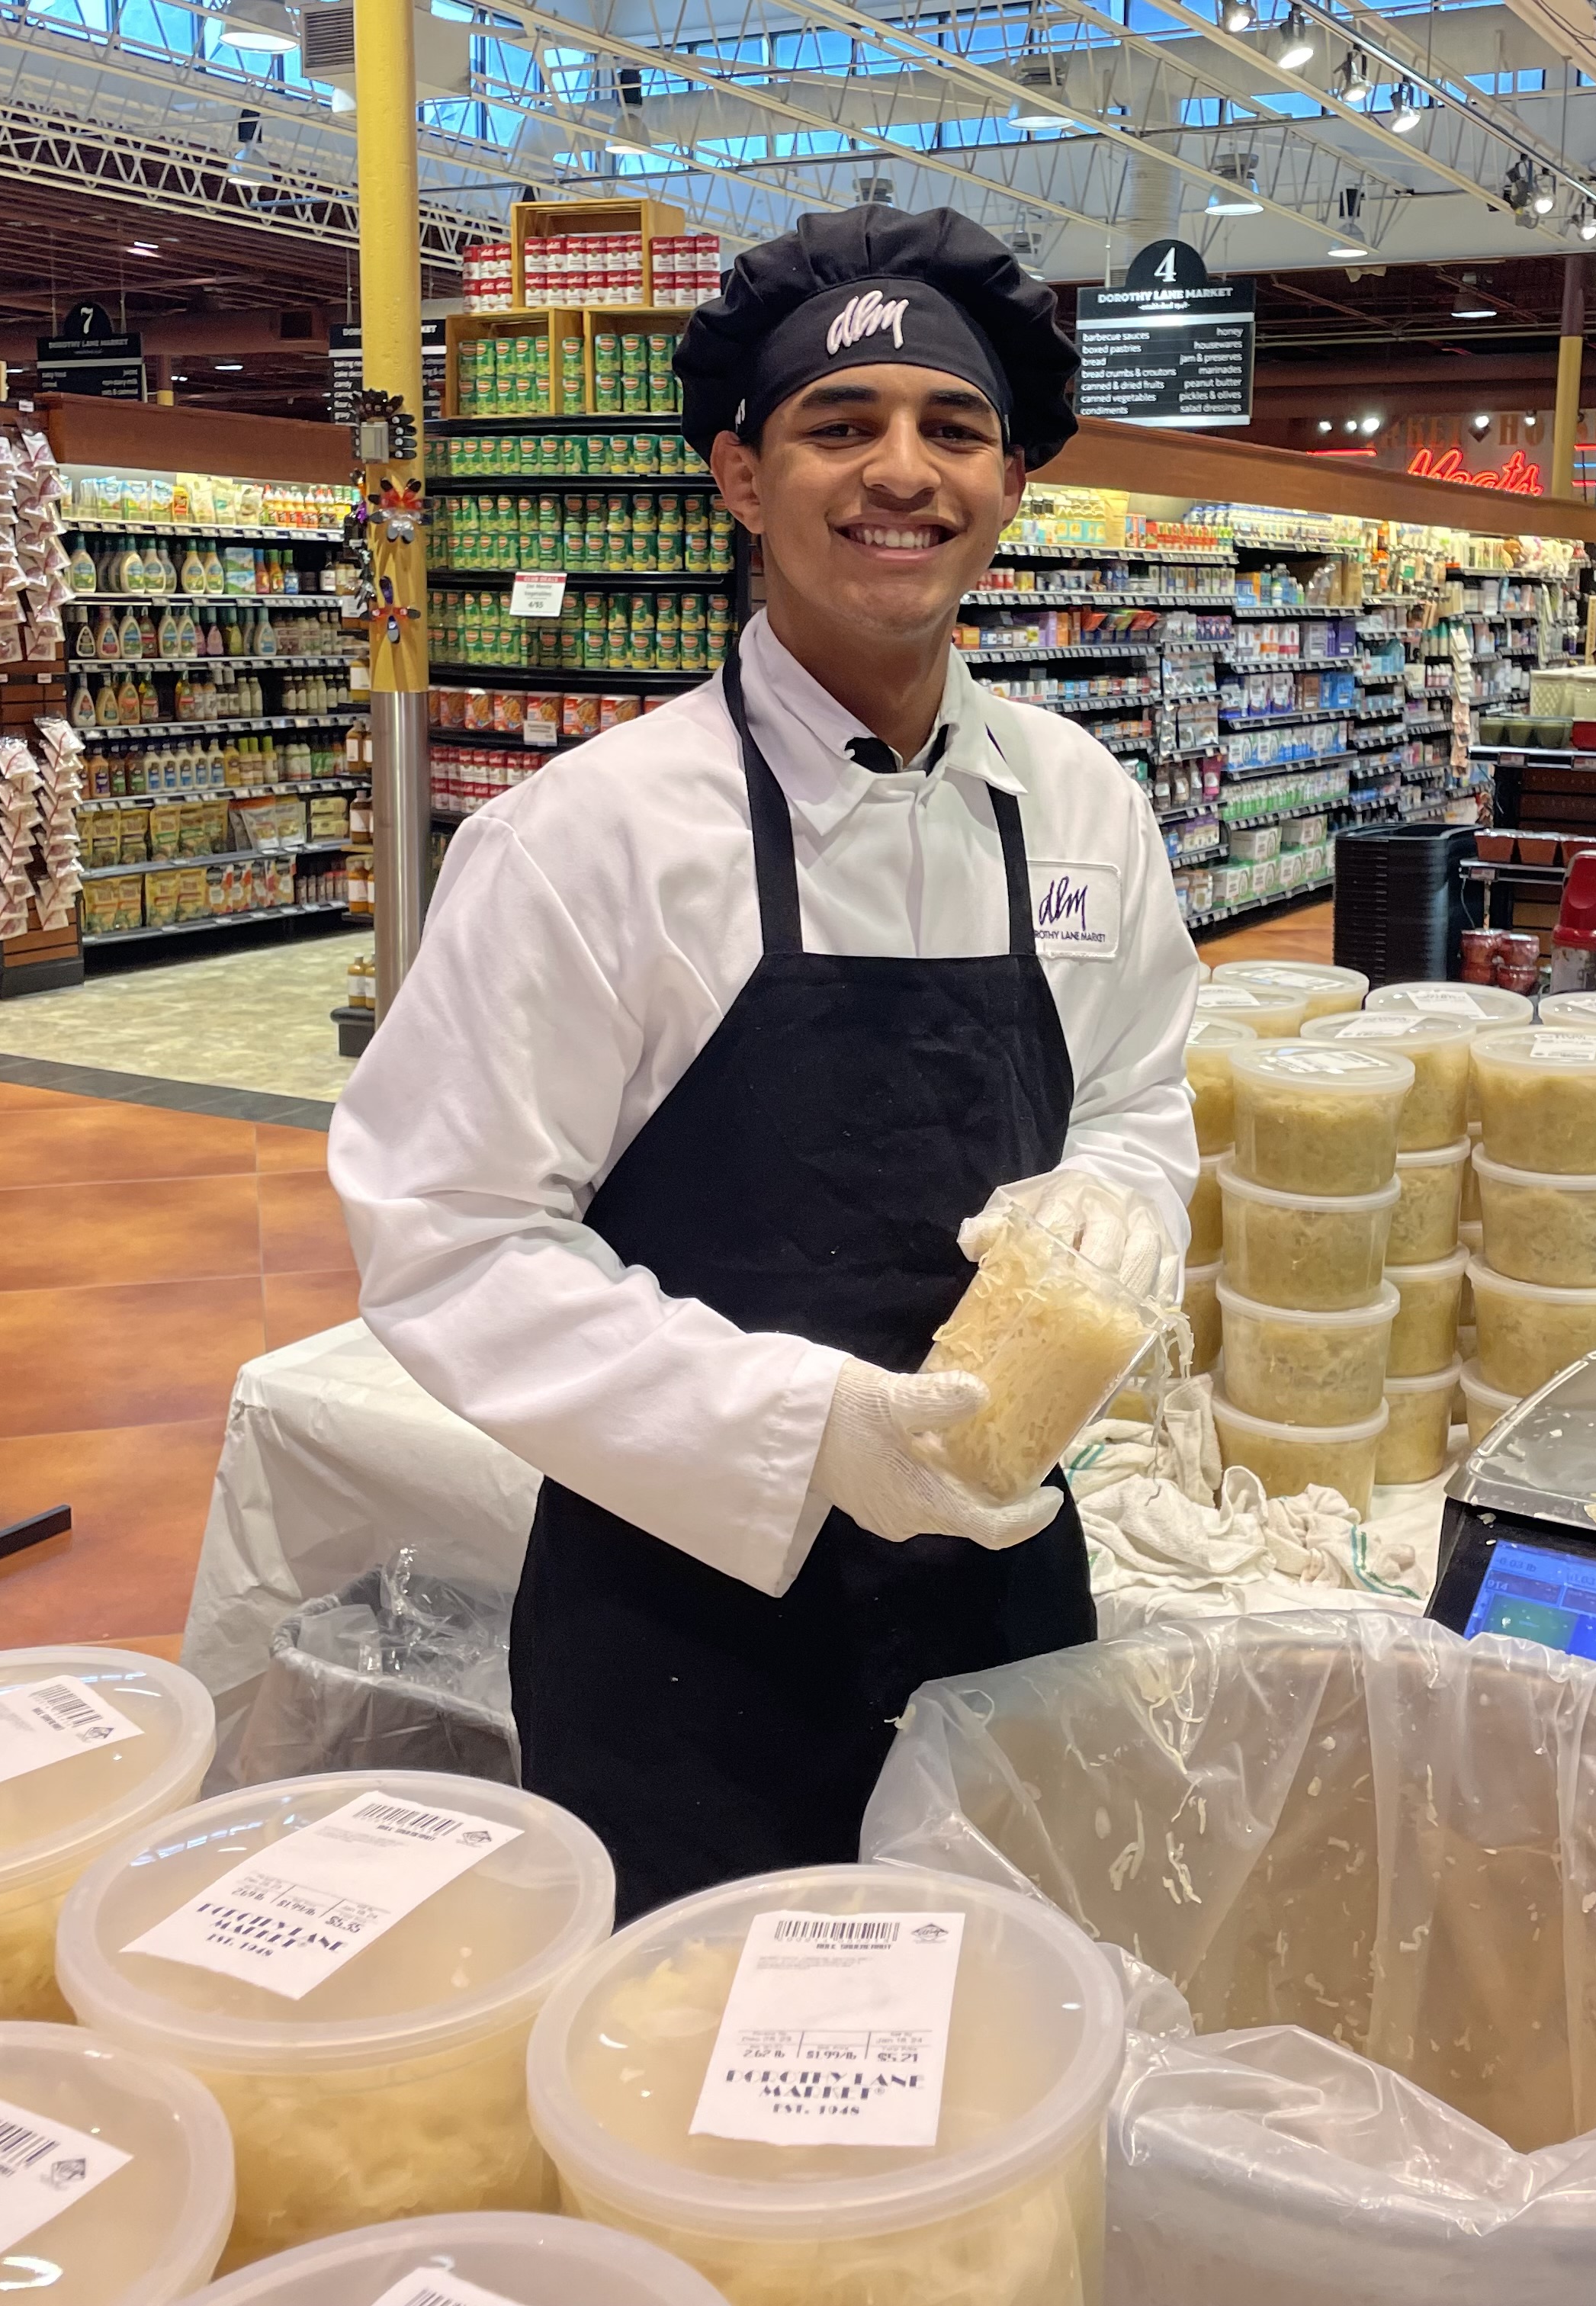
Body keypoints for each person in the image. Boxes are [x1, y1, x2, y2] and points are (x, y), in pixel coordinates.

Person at [331, 204, 1201, 1919]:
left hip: (1002, 1597)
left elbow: (1141, 1096)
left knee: (995, 2063)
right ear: (741, 477)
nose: (904, 470)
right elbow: (447, 1228)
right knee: (707, 2108)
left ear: (1012, 482)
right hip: (684, 1636)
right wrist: (808, 1429)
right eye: (840, 425)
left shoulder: (1081, 801)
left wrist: (1111, 1203)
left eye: (955, 429)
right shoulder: (587, 839)